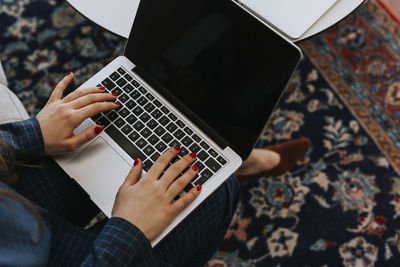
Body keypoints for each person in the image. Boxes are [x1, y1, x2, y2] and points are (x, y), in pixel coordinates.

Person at [0, 72, 308, 266]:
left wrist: (31, 135)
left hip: (10, 208)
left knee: (110, 119)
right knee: (213, 190)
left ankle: (230, 158)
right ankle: (237, 170)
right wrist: (128, 229)